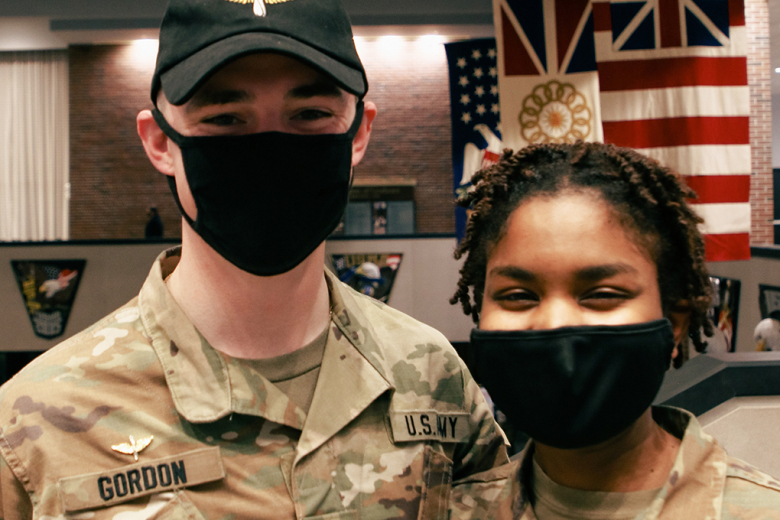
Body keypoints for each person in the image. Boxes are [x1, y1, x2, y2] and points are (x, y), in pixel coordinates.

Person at [0, 0, 507, 517]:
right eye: (224, 119)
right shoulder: (33, 426)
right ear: (159, 143)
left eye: (309, 115)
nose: (270, 151)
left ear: (358, 133)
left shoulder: (433, 377)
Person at [447, 142, 780, 519]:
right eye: (519, 296)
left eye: (602, 294)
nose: (556, 323)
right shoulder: (447, 512)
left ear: (674, 323)